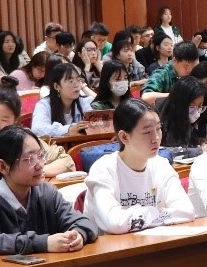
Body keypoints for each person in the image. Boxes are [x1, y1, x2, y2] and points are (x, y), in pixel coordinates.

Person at [0, 125, 98, 251]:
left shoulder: (47, 192)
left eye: (41, 156)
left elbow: (84, 223)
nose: (40, 165)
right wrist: (43, 243)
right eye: (30, 159)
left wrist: (79, 235)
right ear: (3, 167)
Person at [84, 99, 195, 233]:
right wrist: (154, 212)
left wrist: (138, 218)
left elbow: (187, 211)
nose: (156, 138)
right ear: (124, 137)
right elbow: (115, 223)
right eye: (147, 132)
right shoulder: (104, 169)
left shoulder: (161, 165)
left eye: (158, 129)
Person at [31, 62, 93, 138]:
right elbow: (37, 129)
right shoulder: (44, 104)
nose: (77, 85)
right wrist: (68, 130)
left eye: (78, 80)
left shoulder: (85, 102)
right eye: (71, 81)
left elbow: (93, 124)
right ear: (56, 86)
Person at [157, 76, 207, 149]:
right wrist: (200, 150)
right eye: (191, 106)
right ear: (178, 104)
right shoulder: (161, 126)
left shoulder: (201, 119)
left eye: (200, 106)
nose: (197, 113)